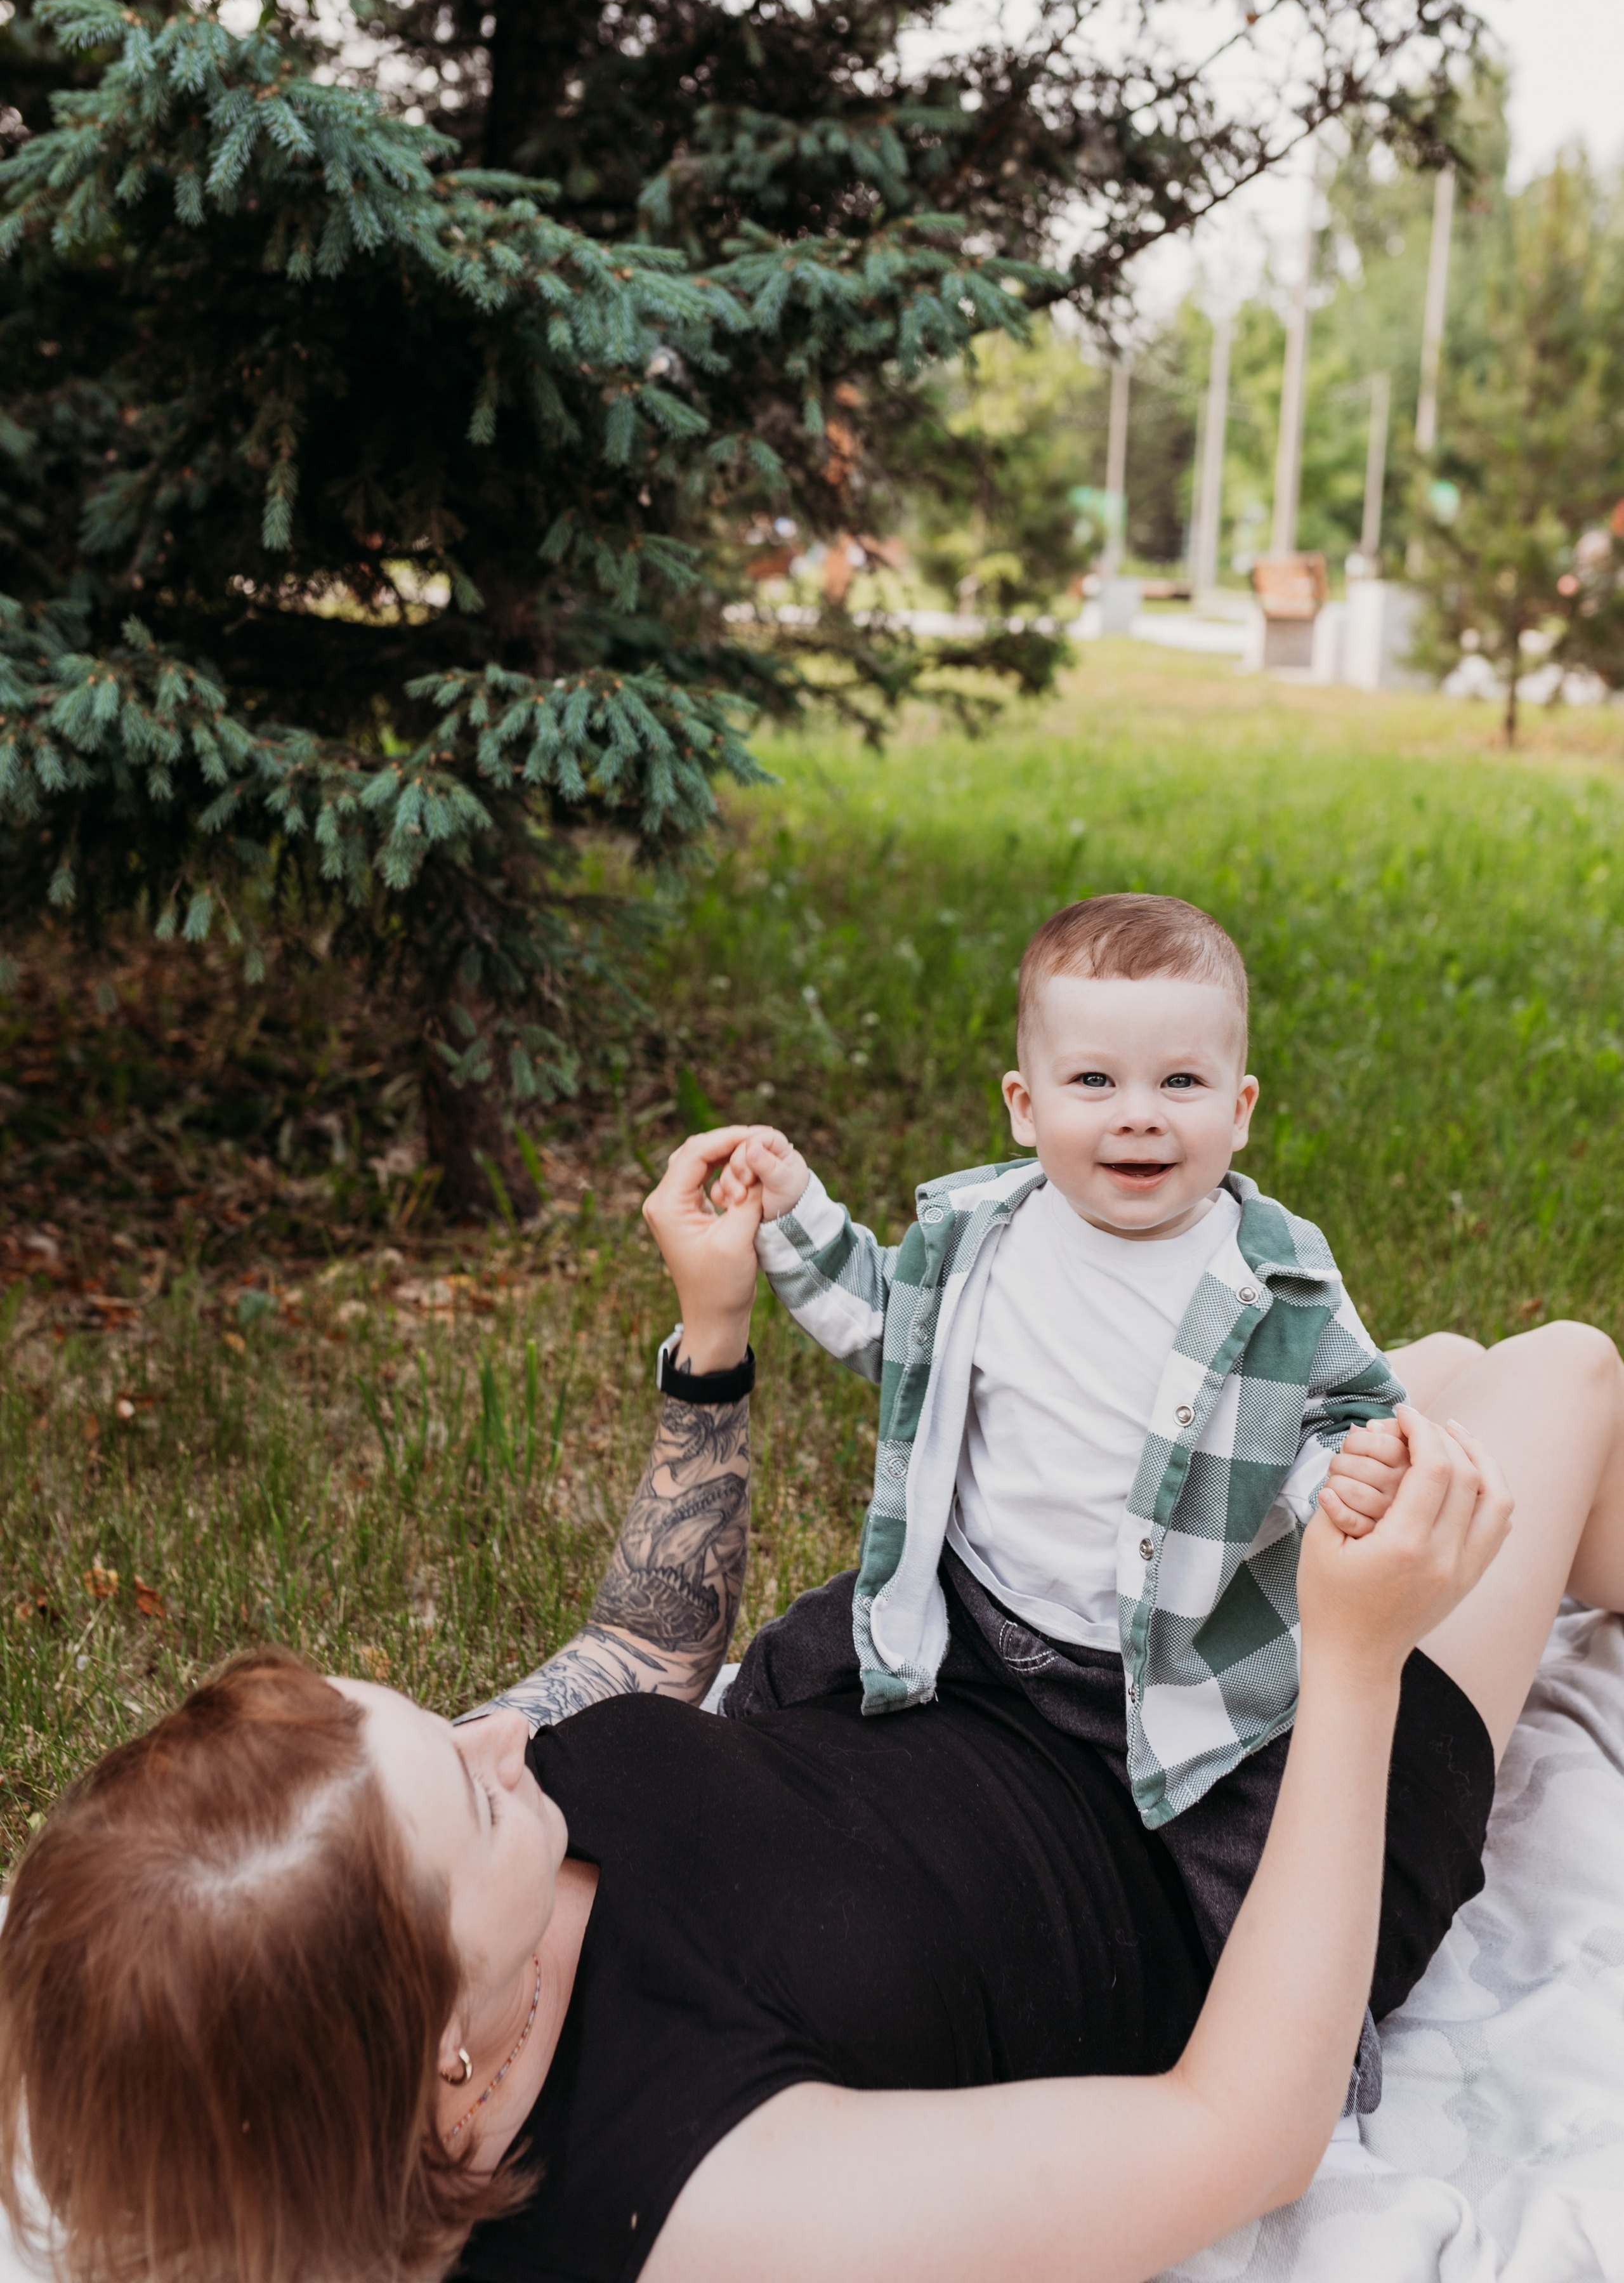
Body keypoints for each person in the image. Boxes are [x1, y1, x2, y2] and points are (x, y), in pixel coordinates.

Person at [1, 1127, 1620, 2283]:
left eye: (448, 1735)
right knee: (1547, 1375)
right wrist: (1346, 1656)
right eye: (476, 1792)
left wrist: (709, 1338)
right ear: (436, 2061)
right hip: (1233, 1823)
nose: (497, 1736)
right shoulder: (697, 2203)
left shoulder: (377, 1875)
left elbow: (637, 1655)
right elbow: (1238, 2134)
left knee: (1422, 1367)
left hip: (992, 1646)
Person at [709, 892, 1424, 2097]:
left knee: (1253, 1845)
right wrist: (797, 1218)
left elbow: (1353, 1410)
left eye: (1182, 1085)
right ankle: (711, 1791)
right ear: (1026, 1105)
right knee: (791, 1657)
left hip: (1178, 1658)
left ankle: (1316, 2058)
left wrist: (1352, 1473)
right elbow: (890, 1332)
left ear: (1240, 1111)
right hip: (980, 1610)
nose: (1139, 1115)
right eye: (1094, 1082)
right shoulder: (982, 1238)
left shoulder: (1277, 1279)